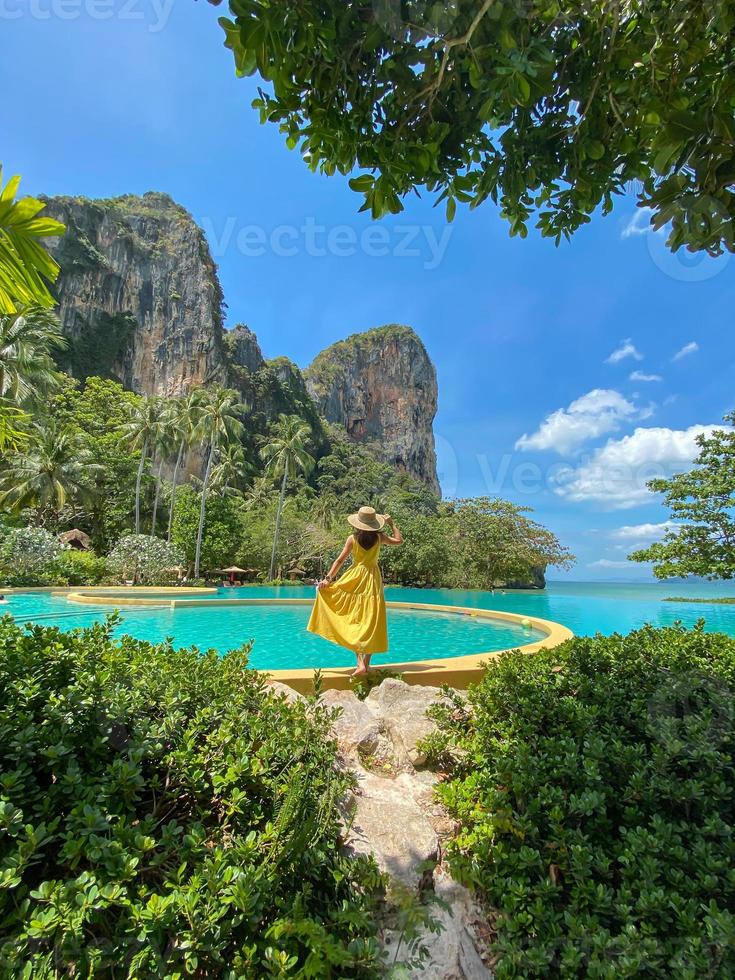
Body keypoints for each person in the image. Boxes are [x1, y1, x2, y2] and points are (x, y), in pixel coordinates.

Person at [307, 506, 403, 676]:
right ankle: (366, 664)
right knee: (372, 620)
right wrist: (392, 523)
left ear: (358, 523)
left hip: (354, 578)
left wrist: (327, 579)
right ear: (374, 524)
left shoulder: (352, 538)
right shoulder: (380, 537)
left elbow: (339, 561)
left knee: (354, 620)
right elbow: (399, 541)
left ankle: (359, 664)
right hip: (372, 579)